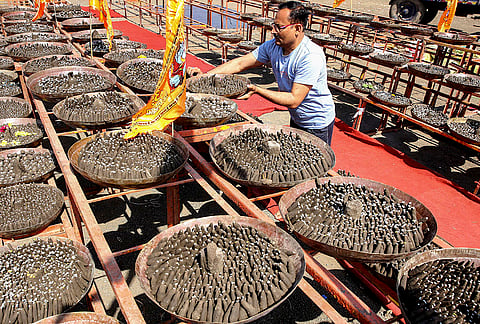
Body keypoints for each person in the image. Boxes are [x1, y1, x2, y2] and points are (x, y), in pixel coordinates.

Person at [187, 1, 335, 145]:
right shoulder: (274, 46)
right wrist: (203, 77)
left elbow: (294, 99)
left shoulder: (310, 56)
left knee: (311, 164)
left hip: (316, 122)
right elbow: (240, 63)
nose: (273, 31)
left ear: (297, 28)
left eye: (279, 27)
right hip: (297, 116)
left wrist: (257, 90)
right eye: (273, 25)